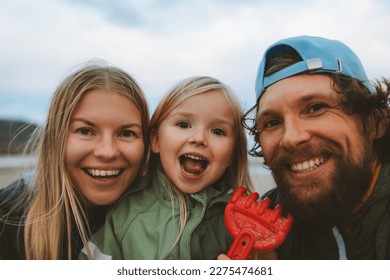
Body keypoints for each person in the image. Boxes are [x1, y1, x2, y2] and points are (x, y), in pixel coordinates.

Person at [239, 35, 389, 259]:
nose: (290, 138)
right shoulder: (263, 223)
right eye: (272, 122)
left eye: (315, 108)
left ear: (375, 123)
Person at [82, 76, 254, 259]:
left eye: (218, 131)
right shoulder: (125, 213)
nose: (199, 138)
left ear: (232, 155)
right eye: (183, 124)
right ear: (156, 140)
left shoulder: (242, 223)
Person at [0, 63, 150, 259]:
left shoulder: (166, 218)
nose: (107, 152)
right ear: (56, 138)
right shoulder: (7, 219)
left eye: (126, 133)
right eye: (85, 131)